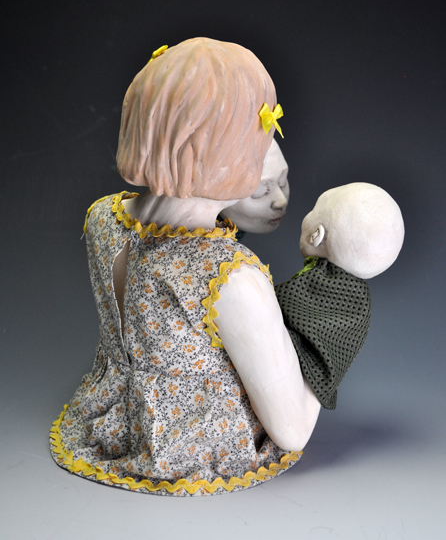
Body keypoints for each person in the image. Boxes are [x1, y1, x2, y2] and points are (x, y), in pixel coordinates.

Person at [49, 38, 320, 497]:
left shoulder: (102, 218)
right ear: (234, 154)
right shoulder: (231, 277)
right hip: (193, 450)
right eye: (260, 132)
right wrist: (330, 337)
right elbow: (291, 431)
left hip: (112, 420)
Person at [275, 183, 405, 409]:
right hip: (305, 392)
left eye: (314, 210)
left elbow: (278, 304)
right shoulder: (359, 301)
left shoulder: (321, 282)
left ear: (317, 236)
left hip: (284, 377)